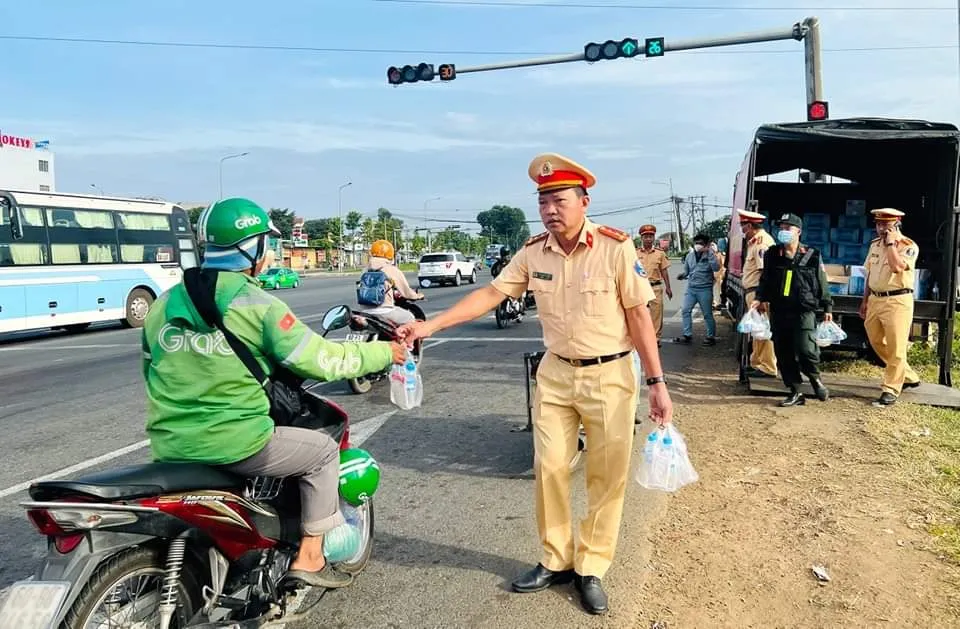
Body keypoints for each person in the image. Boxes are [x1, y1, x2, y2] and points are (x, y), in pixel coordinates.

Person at [396, 152, 673, 616]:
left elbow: (639, 316)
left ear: (584, 202)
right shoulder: (533, 251)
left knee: (607, 476)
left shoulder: (615, 248)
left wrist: (657, 381)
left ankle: (592, 566)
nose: (549, 210)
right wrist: (430, 325)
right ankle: (556, 558)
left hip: (609, 374)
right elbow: (491, 293)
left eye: (559, 200)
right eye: (543, 201)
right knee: (550, 467)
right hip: (556, 373)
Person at [142, 198, 406, 589]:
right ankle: (311, 556)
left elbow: (150, 369)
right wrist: (384, 353)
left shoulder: (163, 304)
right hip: (238, 444)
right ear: (254, 248)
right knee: (322, 453)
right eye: (267, 244)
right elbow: (322, 360)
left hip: (170, 445)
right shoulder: (258, 304)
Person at [752, 213, 832, 407]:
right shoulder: (773, 254)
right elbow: (765, 279)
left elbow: (821, 280)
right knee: (783, 352)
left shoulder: (811, 254)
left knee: (806, 349)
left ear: (799, 232)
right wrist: (759, 298)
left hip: (803, 310)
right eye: (781, 228)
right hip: (780, 310)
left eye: (788, 228)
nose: (783, 231)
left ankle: (815, 378)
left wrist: (827, 306)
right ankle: (795, 391)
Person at [859, 208, 922, 406]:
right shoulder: (874, 245)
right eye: (878, 224)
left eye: (886, 225)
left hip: (897, 300)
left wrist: (891, 244)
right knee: (876, 340)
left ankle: (891, 388)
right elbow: (869, 274)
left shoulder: (908, 245)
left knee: (896, 345)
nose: (881, 229)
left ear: (896, 225)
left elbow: (897, 267)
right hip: (875, 298)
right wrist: (865, 300)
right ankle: (908, 375)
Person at [738, 208, 778, 378]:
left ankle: (768, 366)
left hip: (758, 293)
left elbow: (764, 272)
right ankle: (757, 363)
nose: (742, 229)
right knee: (757, 330)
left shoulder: (762, 242)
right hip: (753, 293)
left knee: (764, 330)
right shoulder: (755, 242)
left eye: (743, 225)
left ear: (749, 226)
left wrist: (762, 297)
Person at [356, 239, 425, 326]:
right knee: (410, 317)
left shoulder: (365, 270)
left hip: (364, 312)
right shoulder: (391, 269)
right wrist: (417, 296)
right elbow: (406, 292)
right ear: (390, 254)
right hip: (385, 311)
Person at [674, 233, 719, 346]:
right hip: (691, 289)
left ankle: (711, 337)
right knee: (685, 310)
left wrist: (709, 253)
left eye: (701, 243)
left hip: (705, 289)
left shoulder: (710, 255)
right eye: (696, 243)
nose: (698, 245)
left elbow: (716, 268)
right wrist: (682, 275)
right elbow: (687, 272)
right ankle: (687, 335)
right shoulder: (689, 256)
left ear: (706, 245)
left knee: (707, 314)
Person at [635, 224, 672, 347]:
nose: (648, 239)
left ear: (654, 238)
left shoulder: (659, 254)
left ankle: (655, 338)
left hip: (655, 287)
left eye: (650, 236)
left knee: (656, 314)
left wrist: (668, 287)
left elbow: (664, 271)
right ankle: (642, 337)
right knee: (640, 314)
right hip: (640, 288)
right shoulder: (635, 253)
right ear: (641, 238)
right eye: (645, 236)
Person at [711, 242, 725, 310]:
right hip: (712, 276)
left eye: (713, 246)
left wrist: (722, 275)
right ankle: (713, 303)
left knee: (719, 290)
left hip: (719, 275)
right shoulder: (710, 256)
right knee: (710, 290)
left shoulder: (720, 255)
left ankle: (719, 303)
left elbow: (723, 265)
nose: (712, 248)